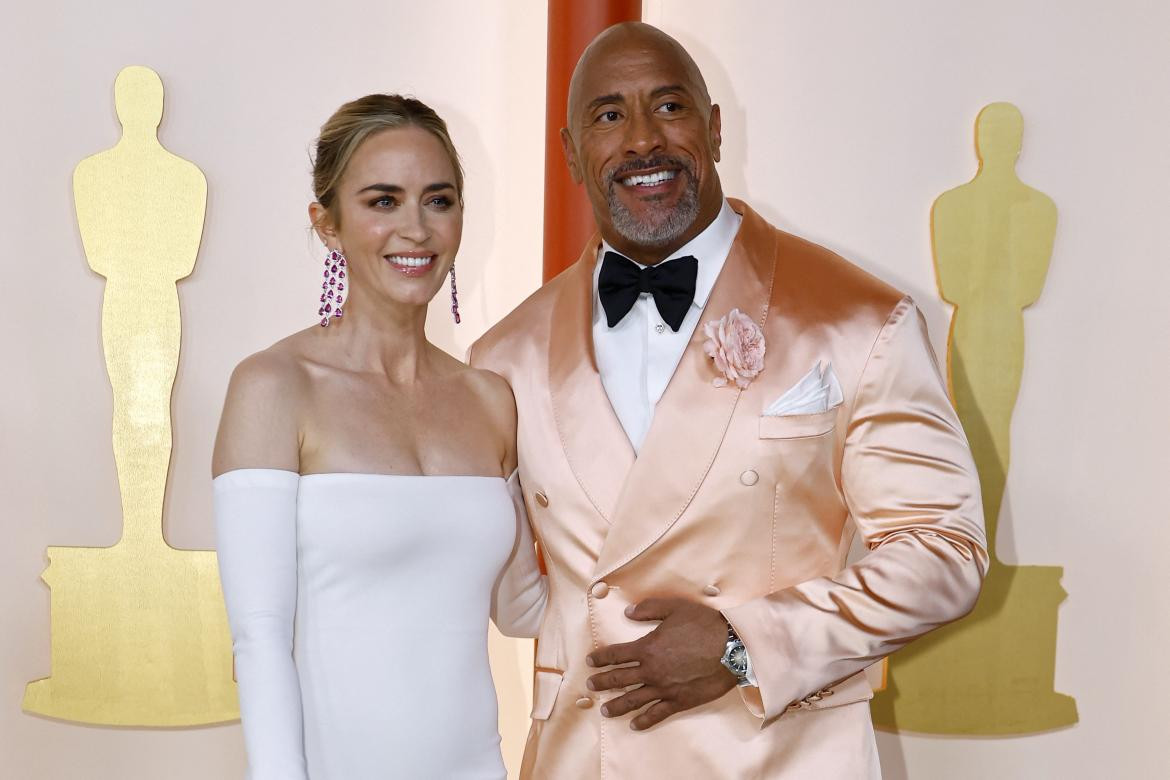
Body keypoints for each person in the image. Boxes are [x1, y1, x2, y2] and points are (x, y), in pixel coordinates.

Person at [469, 22, 988, 779]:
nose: (643, 140)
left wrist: (747, 645)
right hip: (588, 759)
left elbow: (945, 548)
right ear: (572, 153)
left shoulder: (856, 318)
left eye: (669, 107)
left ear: (713, 130)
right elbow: (516, 598)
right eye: (609, 116)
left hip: (781, 755)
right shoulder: (502, 356)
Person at [212, 94, 547, 780]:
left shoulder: (490, 398)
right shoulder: (274, 387)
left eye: (439, 200)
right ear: (327, 224)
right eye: (383, 201)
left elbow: (523, 610)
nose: (416, 230)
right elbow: (260, 637)